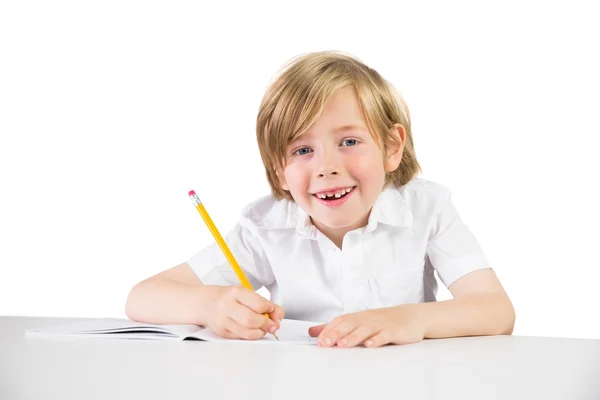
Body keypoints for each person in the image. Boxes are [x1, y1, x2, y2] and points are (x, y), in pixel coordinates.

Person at [125, 51, 515, 348]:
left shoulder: (426, 209)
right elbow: (142, 298)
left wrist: (412, 320)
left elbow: (497, 311)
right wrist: (210, 306)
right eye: (302, 151)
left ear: (392, 146)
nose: (326, 167)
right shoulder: (266, 227)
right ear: (280, 169)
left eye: (349, 142)